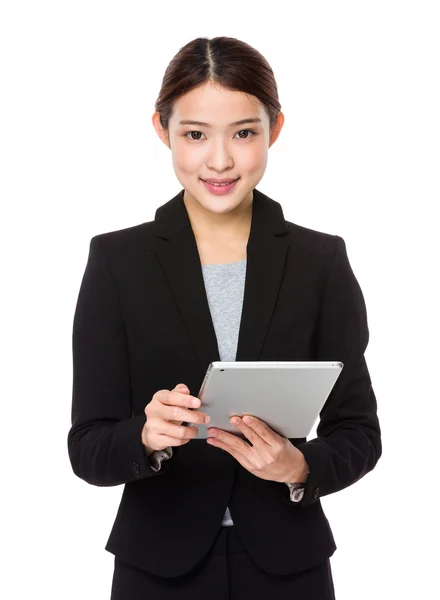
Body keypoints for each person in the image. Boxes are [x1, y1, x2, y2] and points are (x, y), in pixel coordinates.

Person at [67, 36, 382, 599]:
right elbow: (87, 448)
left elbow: (359, 433)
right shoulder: (116, 262)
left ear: (274, 130)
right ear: (162, 130)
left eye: (244, 133)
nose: (219, 160)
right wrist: (144, 436)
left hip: (290, 566)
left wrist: (298, 467)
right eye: (194, 135)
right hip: (157, 567)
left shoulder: (320, 261)